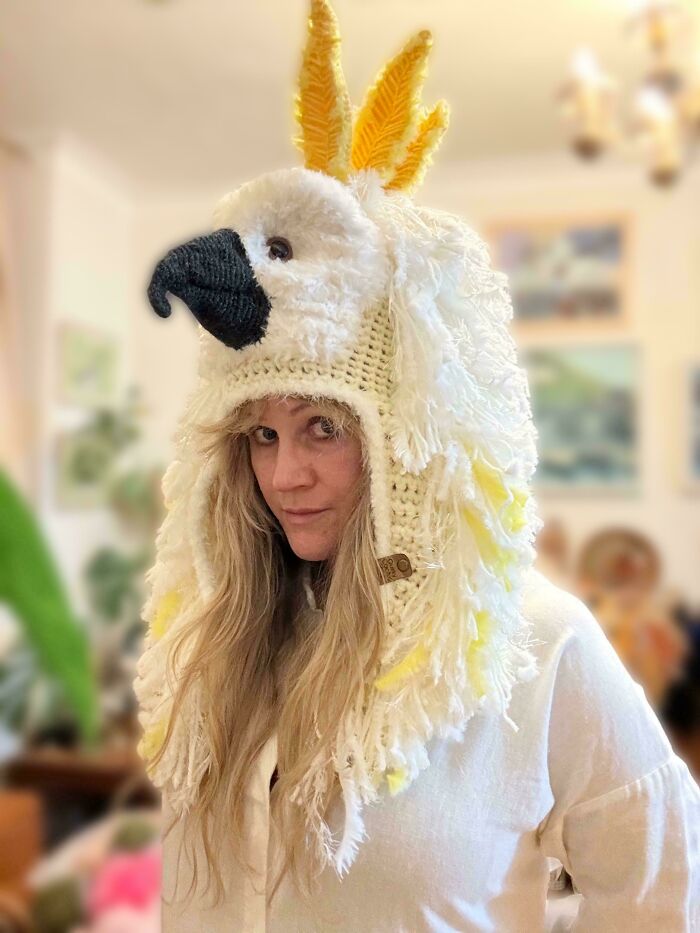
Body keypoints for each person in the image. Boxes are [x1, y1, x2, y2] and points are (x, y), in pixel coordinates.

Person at [132, 1, 700, 929]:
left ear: (404, 434)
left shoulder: (532, 644)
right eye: (262, 436)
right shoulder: (215, 635)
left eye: (323, 427)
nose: (285, 478)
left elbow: (659, 881)